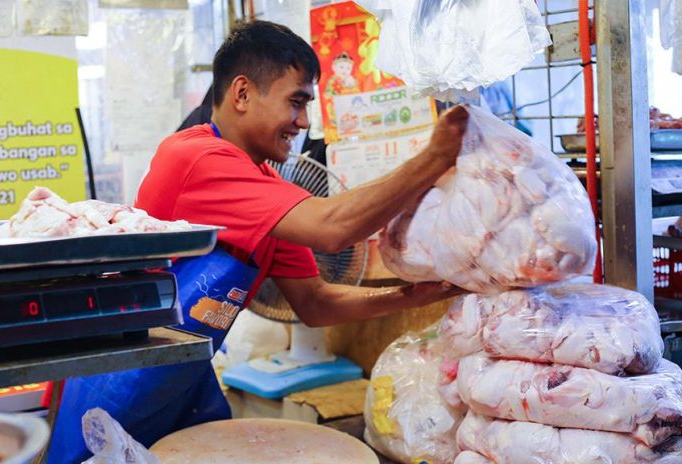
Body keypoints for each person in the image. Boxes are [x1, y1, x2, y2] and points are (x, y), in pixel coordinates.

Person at [48, 20, 468, 463]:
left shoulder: (266, 191)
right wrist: (435, 157)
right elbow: (333, 227)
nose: (303, 123)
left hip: (185, 379)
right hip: (117, 383)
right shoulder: (196, 157)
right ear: (243, 93)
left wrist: (418, 295)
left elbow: (315, 303)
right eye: (296, 102)